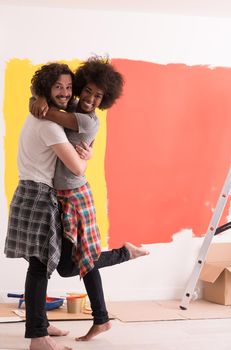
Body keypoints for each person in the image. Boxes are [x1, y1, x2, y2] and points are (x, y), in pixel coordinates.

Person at [30, 57, 149, 342]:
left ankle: (102, 317)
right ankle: (122, 262)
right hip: (58, 195)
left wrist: (36, 101)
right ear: (80, 88)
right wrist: (36, 96)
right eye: (88, 91)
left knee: (81, 260)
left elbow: (49, 115)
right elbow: (49, 106)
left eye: (99, 96)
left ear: (105, 100)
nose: (92, 99)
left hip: (77, 195)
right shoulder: (71, 104)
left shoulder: (86, 120)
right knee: (69, 265)